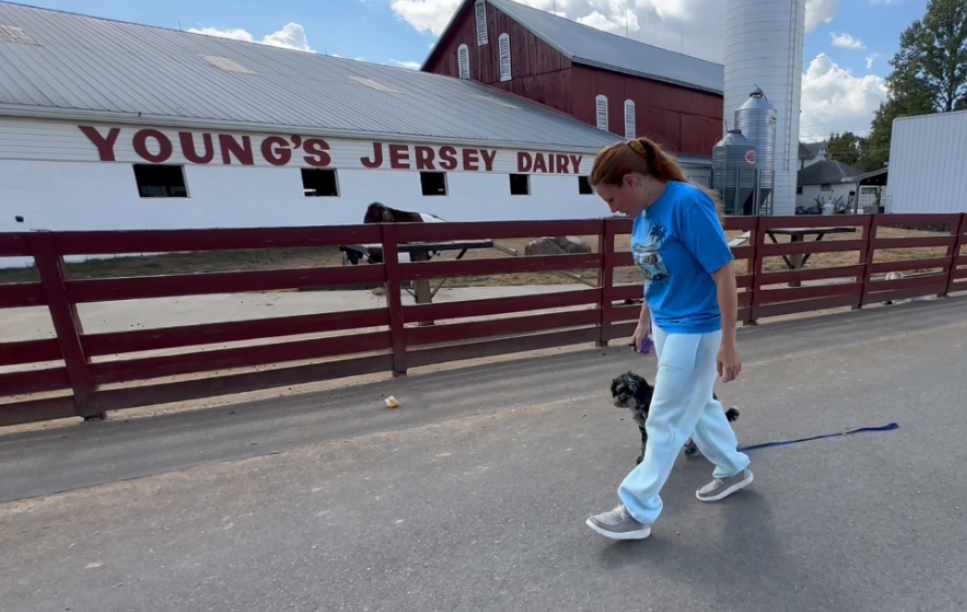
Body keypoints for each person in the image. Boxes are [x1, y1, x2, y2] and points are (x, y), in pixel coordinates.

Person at [585, 137, 753, 541]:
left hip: (696, 327)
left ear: (631, 181)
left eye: (611, 198)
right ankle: (733, 469)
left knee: (664, 417)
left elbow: (724, 273)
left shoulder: (686, 204)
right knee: (698, 404)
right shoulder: (643, 213)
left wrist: (729, 342)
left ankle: (636, 508)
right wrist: (644, 321)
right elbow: (656, 273)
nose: (612, 209)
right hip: (666, 324)